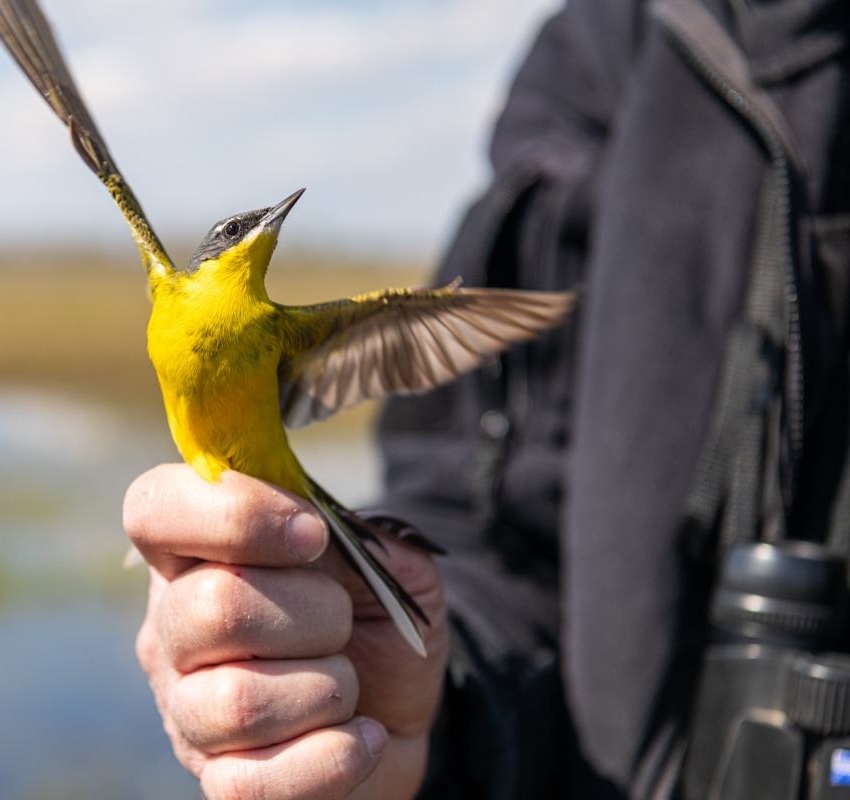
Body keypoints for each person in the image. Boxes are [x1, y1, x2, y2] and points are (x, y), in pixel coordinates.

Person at [124, 0, 850, 796]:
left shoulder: (287, 324)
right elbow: (493, 521)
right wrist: (442, 712)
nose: (261, 230)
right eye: (240, 228)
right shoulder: (621, 47)